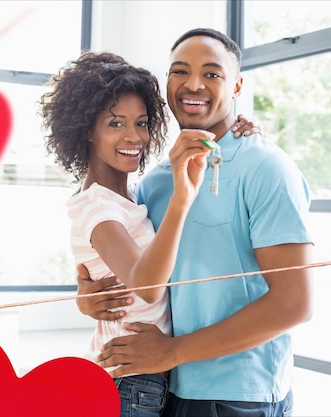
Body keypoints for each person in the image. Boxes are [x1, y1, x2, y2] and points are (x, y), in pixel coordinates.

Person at [76, 28, 314, 417]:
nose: (194, 84)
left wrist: (173, 351)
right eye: (180, 71)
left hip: (239, 397)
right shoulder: (154, 182)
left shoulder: (267, 168)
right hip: (164, 387)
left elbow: (295, 303)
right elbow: (142, 274)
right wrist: (89, 296)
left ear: (236, 84)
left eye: (212, 73)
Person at [39, 51, 260, 417]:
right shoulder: (99, 208)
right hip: (127, 383)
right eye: (115, 124)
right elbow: (147, 285)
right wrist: (181, 200)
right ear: (85, 131)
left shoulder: (129, 195)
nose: (134, 136)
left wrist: (243, 125)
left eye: (141, 123)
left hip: (137, 380)